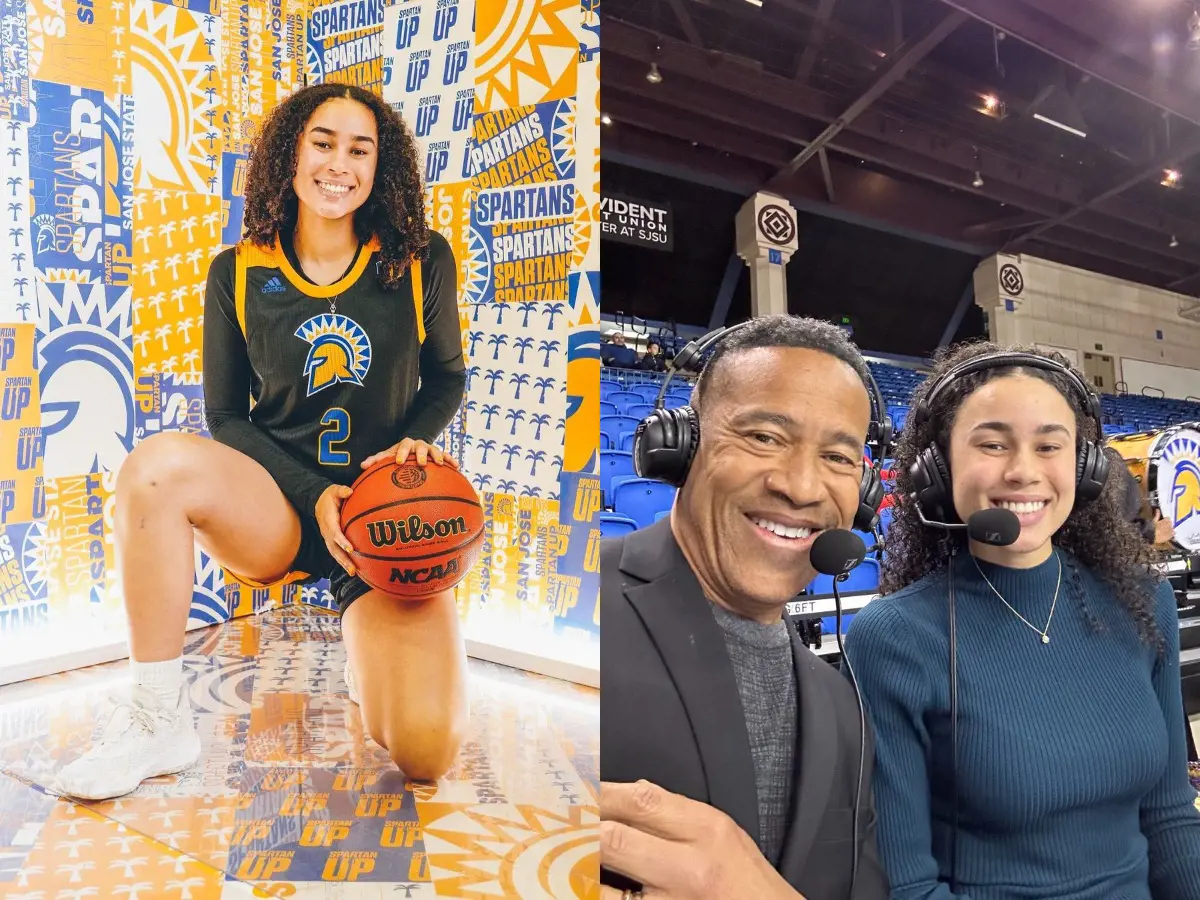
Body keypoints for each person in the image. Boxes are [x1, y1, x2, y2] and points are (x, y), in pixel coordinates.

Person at [55, 83, 468, 800]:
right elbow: (227, 417)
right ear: (290, 153)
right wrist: (314, 497)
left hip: (380, 524)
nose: (340, 164)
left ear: (381, 167)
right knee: (155, 470)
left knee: (426, 752)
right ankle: (157, 714)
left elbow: (448, 378)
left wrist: (412, 448)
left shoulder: (420, 257)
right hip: (276, 504)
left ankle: (363, 647)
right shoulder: (238, 270)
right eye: (323, 142)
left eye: (360, 149)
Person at [844, 342, 1200, 899]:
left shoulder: (1143, 599)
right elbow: (909, 886)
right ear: (935, 469)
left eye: (1049, 445)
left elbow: (1171, 817)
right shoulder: (892, 639)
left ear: (1083, 467)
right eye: (991, 443)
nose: (1023, 471)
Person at [600, 315, 889, 899]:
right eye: (764, 437)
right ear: (678, 448)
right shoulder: (577, 615)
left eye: (838, 457)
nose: (803, 487)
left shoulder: (842, 707)